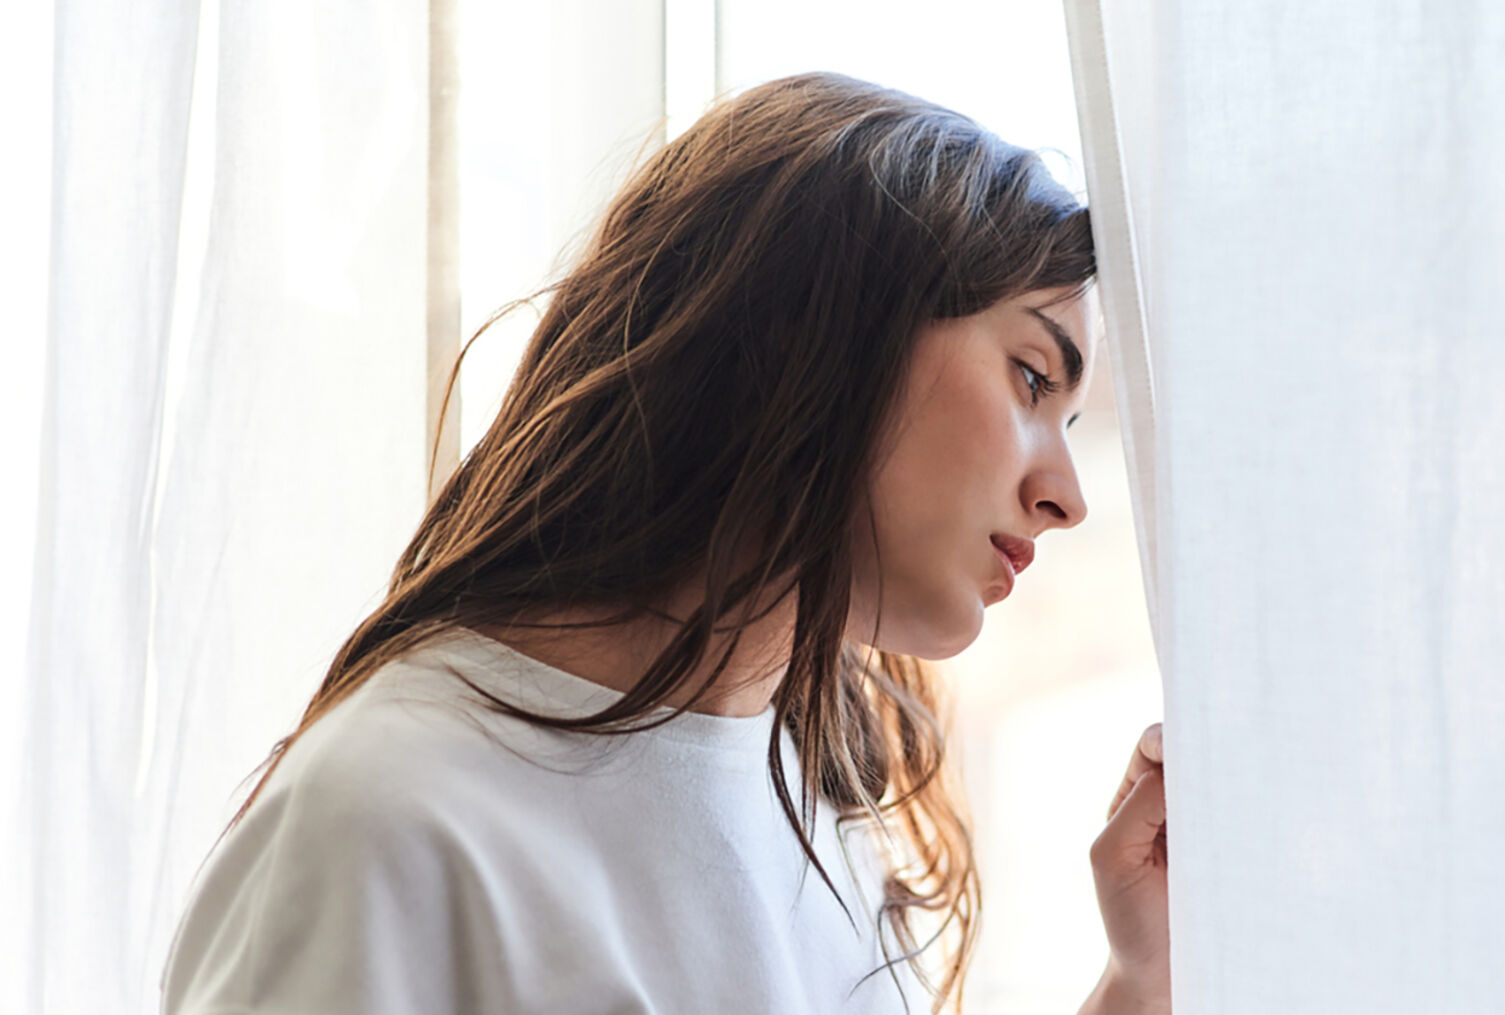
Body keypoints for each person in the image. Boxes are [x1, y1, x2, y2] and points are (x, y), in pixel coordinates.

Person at [160, 70, 1168, 1015]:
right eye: (1034, 378)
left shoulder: (827, 812)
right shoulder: (392, 823)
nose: (1066, 497)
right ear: (811, 334)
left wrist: (1140, 977)